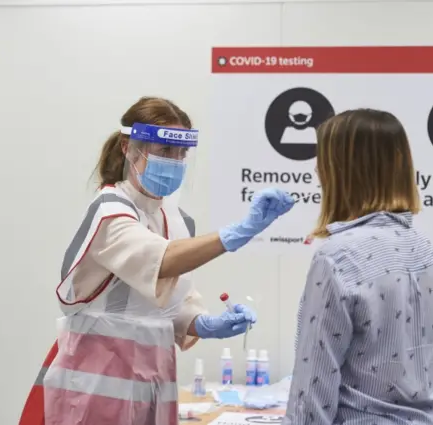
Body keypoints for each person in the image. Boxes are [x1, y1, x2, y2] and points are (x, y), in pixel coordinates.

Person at [18, 96, 294, 425]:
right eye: (165, 152)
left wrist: (204, 324)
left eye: (181, 154)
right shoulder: (110, 210)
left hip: (152, 379)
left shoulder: (174, 218)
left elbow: (171, 303)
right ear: (127, 147)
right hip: (95, 382)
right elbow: (159, 261)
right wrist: (238, 233)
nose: (175, 162)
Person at [284, 109, 433, 425]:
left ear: (340, 172)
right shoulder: (424, 249)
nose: (317, 169)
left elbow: (313, 386)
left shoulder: (338, 257)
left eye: (322, 160)